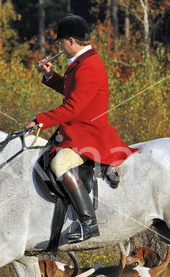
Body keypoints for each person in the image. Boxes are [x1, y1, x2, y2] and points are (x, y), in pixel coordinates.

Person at [25, 15, 137, 243]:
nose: (60, 48)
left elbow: (73, 108)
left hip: (89, 133)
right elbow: (71, 91)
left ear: (72, 40)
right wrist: (49, 76)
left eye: (61, 43)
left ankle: (88, 222)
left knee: (60, 163)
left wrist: (40, 119)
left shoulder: (88, 66)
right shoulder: (83, 61)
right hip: (79, 128)